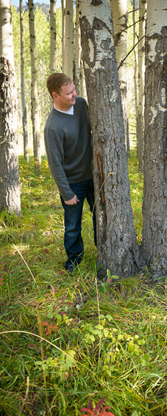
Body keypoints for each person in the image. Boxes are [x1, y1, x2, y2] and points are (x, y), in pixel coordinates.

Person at [43, 73, 96, 272]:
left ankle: (106, 252)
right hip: (74, 182)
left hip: (95, 175)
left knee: (101, 216)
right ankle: (74, 260)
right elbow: (55, 165)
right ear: (55, 96)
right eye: (69, 93)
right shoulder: (53, 127)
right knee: (73, 225)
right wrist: (67, 194)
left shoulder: (81, 104)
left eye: (74, 89)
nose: (74, 95)